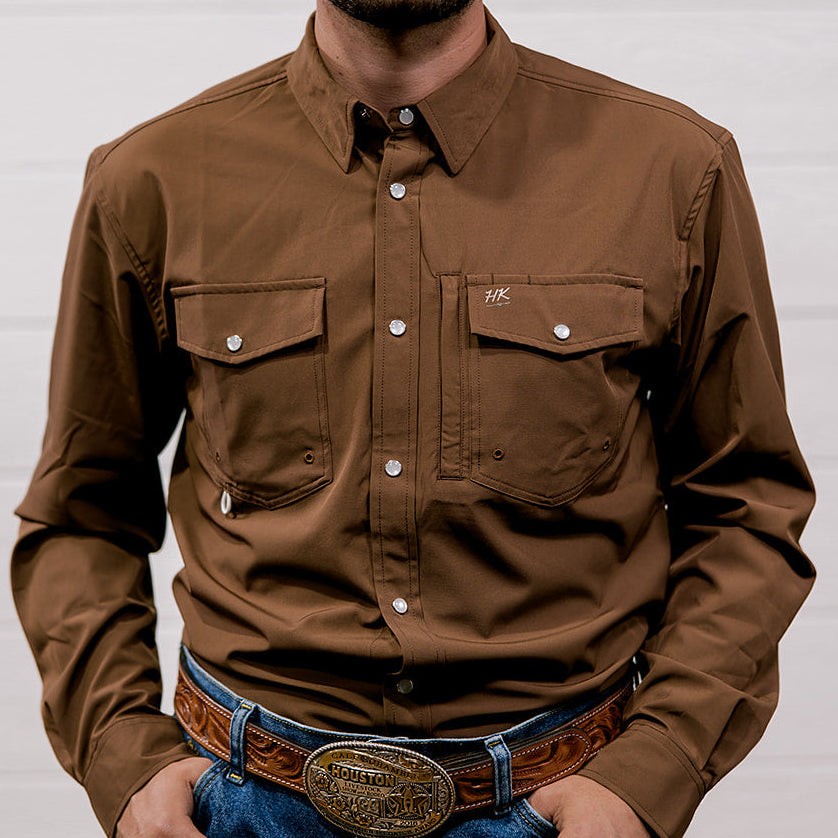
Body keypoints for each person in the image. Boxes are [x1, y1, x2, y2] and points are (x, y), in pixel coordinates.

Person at [11, 1, 815, 837]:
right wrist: (126, 756)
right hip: (238, 806)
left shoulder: (674, 169)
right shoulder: (152, 178)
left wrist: (650, 775)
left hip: (564, 807)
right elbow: (80, 516)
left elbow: (745, 509)